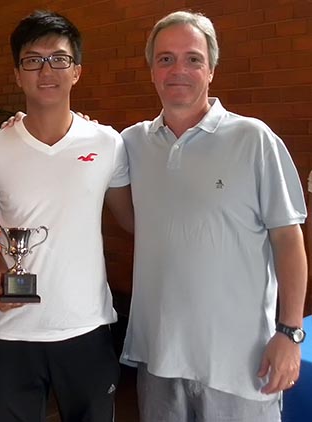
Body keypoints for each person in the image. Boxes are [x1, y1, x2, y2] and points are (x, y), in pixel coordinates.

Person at [120, 11, 307, 421]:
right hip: (160, 359)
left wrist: (290, 333)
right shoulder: (132, 143)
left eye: (192, 58)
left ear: (211, 70)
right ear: (152, 70)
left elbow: (288, 241)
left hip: (240, 364)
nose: (178, 70)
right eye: (165, 59)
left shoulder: (253, 139)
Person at [0, 10, 133, 421]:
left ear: (76, 71)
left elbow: (132, 220)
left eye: (59, 59)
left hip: (87, 329)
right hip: (13, 330)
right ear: (18, 73)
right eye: (32, 60)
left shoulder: (107, 143)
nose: (46, 70)